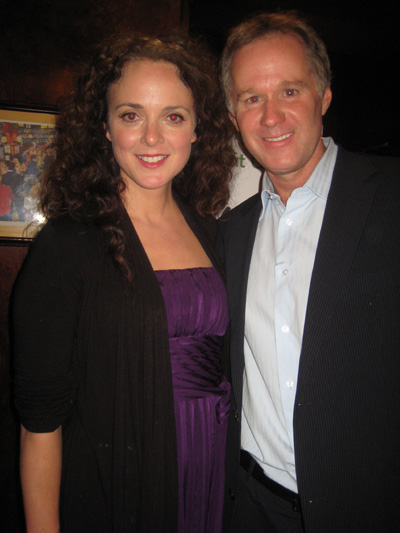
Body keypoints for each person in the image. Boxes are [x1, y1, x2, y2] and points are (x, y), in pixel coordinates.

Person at [12, 33, 235, 533]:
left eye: (173, 116)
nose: (152, 138)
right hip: (120, 479)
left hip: (213, 461)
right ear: (105, 128)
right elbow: (40, 426)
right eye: (131, 115)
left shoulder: (212, 230)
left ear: (198, 129)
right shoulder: (67, 246)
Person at [218, 11, 400, 533]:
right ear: (234, 116)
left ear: (323, 97)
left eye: (290, 91)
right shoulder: (233, 232)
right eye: (252, 97)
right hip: (250, 505)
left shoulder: (390, 198)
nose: (271, 116)